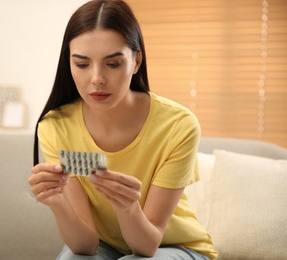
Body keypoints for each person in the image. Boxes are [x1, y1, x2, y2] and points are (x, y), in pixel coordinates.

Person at [28, 0, 217, 259]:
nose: (97, 78)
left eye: (113, 63)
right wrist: (58, 202)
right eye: (82, 64)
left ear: (136, 61)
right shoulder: (55, 126)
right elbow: (85, 246)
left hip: (174, 247)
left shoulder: (178, 126)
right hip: (107, 247)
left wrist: (128, 208)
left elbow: (146, 246)